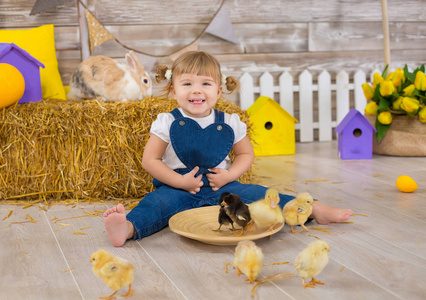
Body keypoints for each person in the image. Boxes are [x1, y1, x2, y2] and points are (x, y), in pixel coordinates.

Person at [104, 51, 353, 247]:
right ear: (173, 91)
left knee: (260, 194)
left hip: (221, 186)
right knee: (156, 204)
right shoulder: (166, 121)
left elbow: (245, 154)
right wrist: (180, 182)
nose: (196, 90)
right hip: (176, 187)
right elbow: (151, 160)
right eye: (187, 83)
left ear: (219, 91)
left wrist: (229, 176)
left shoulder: (230, 121)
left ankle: (312, 209)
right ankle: (127, 228)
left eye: (205, 83)